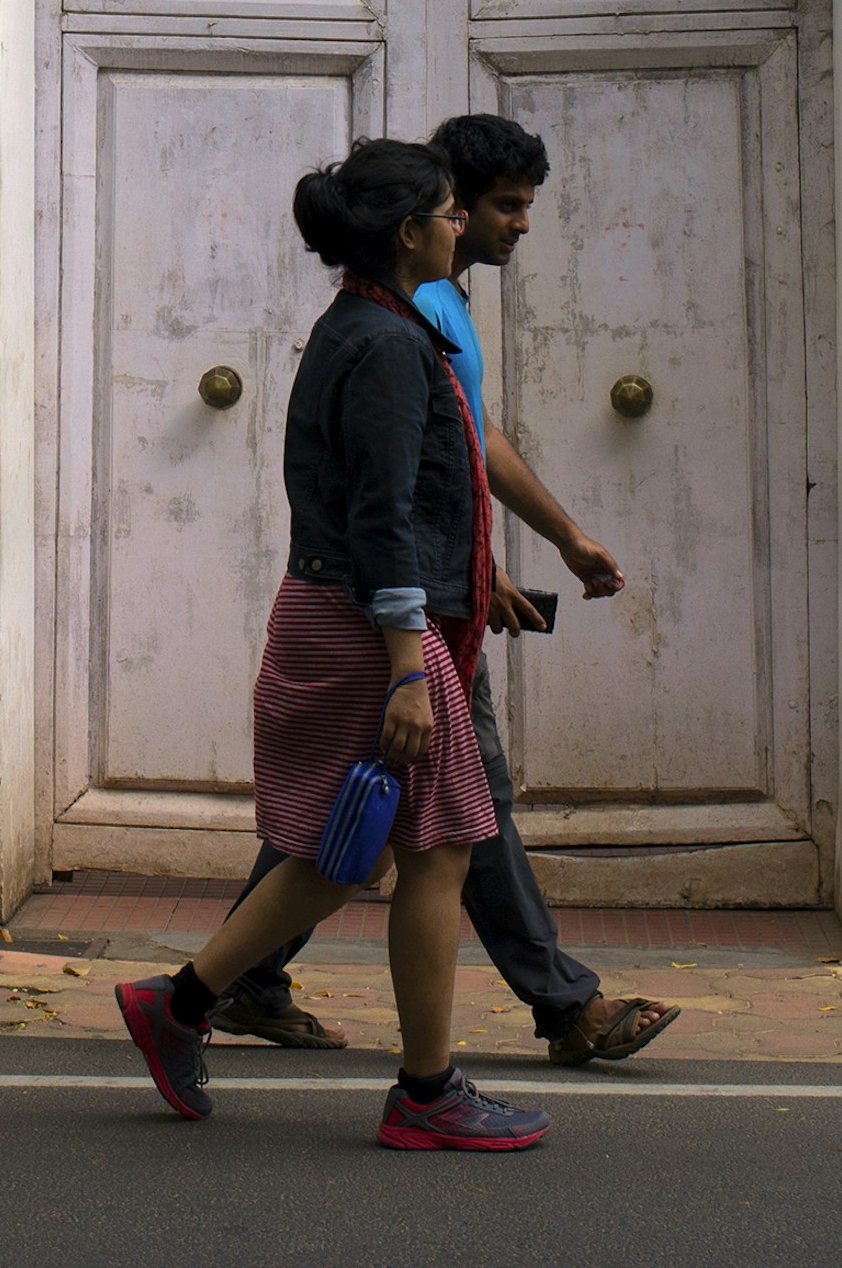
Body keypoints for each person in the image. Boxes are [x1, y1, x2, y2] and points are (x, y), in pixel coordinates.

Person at [209, 113, 680, 1069]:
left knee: (372, 809)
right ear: (430, 218)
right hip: (401, 611)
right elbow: (384, 492)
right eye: (488, 206)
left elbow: (466, 444)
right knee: (460, 807)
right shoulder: (392, 324)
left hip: (427, 595)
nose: (505, 223)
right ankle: (551, 1011)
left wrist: (541, 545)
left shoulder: (431, 307)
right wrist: (419, 629)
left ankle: (222, 982)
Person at [113, 140, 550, 1153]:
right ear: (409, 233)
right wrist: (409, 664)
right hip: (369, 629)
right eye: (449, 212)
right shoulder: (390, 345)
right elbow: (382, 514)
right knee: (437, 849)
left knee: (336, 850)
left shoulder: (359, 327)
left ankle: (179, 1004)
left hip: (337, 613)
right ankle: (428, 1090)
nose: (462, 226)